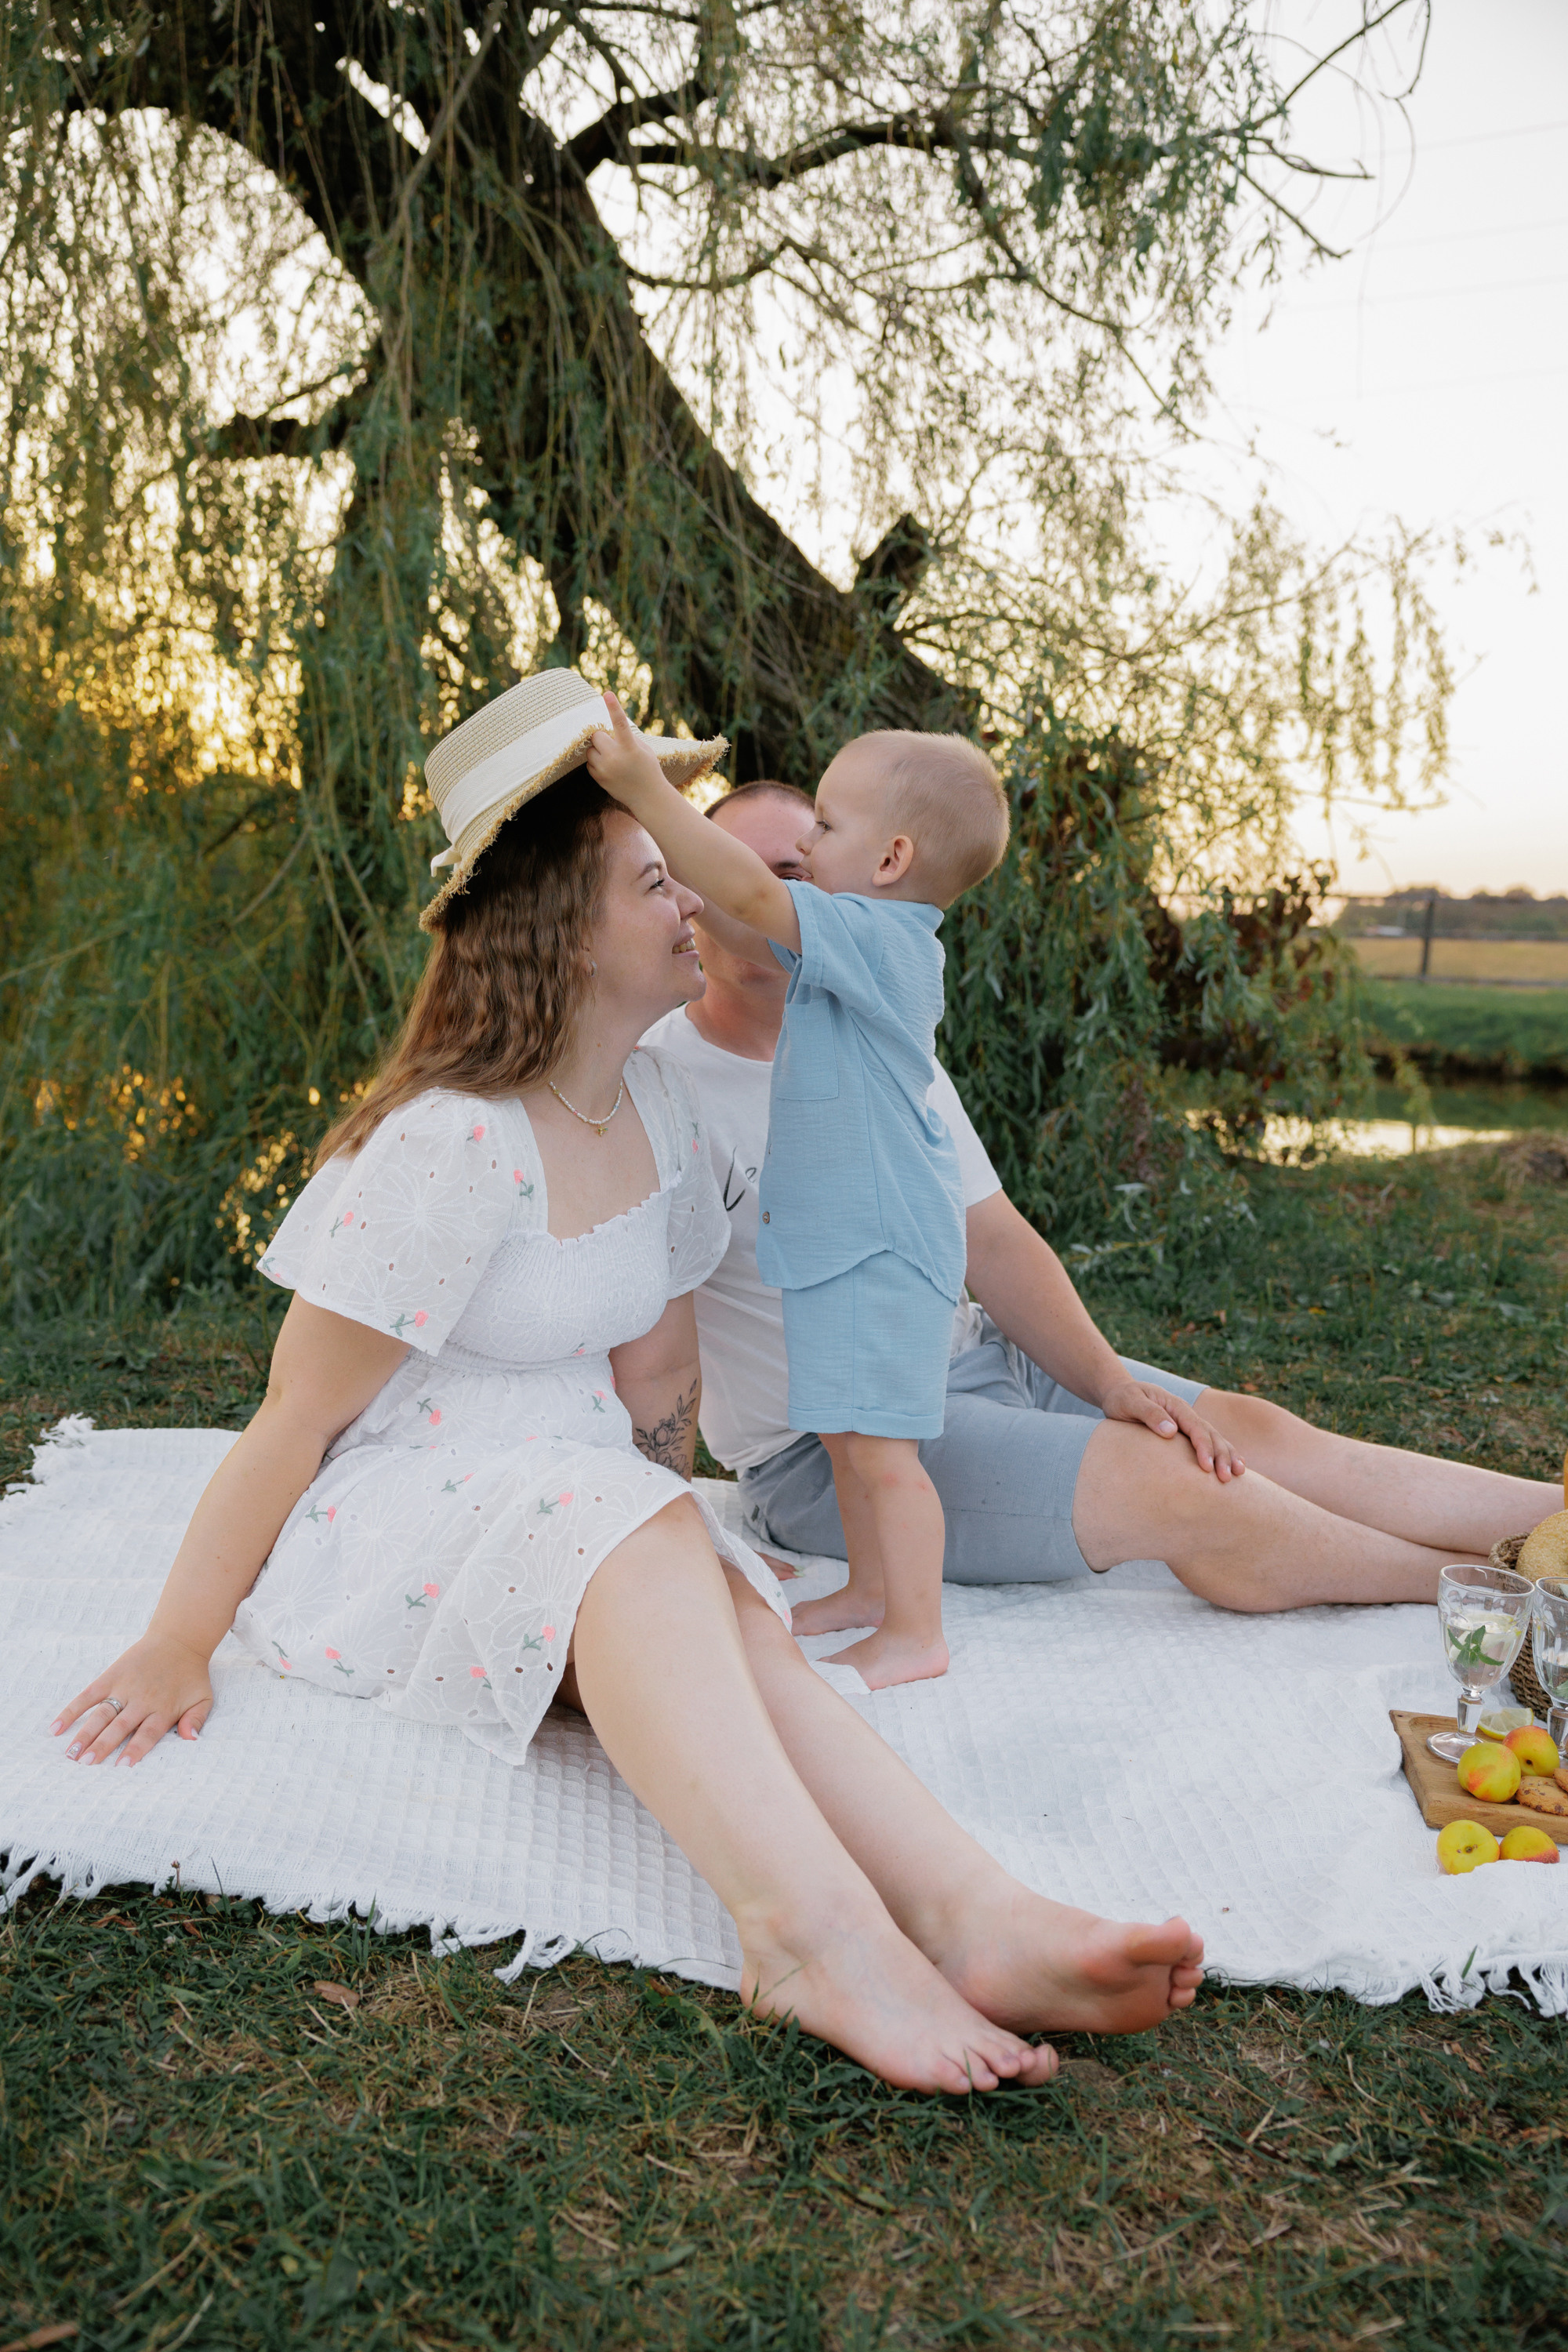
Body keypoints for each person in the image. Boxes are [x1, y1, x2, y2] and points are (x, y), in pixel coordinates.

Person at [48, 668, 1205, 2096]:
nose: (697, 904)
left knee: (734, 1618)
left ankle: (979, 1911)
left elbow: (660, 1361)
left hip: (577, 1489)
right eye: (658, 880)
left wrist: (671, 1552)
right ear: (559, 924)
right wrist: (178, 1638)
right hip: (416, 1499)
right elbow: (299, 1418)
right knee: (656, 1551)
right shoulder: (447, 1144)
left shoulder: (654, 1102)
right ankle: (808, 1935)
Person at [645, 782, 1559, 1602]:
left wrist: (1107, 1380)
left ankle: (1552, 1522)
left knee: (1238, 1428)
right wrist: (681, 1520)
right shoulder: (659, 1085)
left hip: (979, 1361)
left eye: (807, 868)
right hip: (836, 1452)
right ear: (696, 886)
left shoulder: (875, 1036)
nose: (790, 893)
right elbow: (651, 1346)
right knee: (1178, 1484)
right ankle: (1488, 1594)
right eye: (754, 870)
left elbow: (993, 1241)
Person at [589, 699, 1009, 1690]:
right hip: (833, 1243)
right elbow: (728, 914)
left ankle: (914, 1628)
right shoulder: (845, 941)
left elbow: (739, 886)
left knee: (883, 1454)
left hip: (879, 1243)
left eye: (823, 826)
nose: (806, 846)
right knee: (843, 1430)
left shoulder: (885, 937)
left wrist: (647, 795)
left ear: (892, 858)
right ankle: (868, 1589)